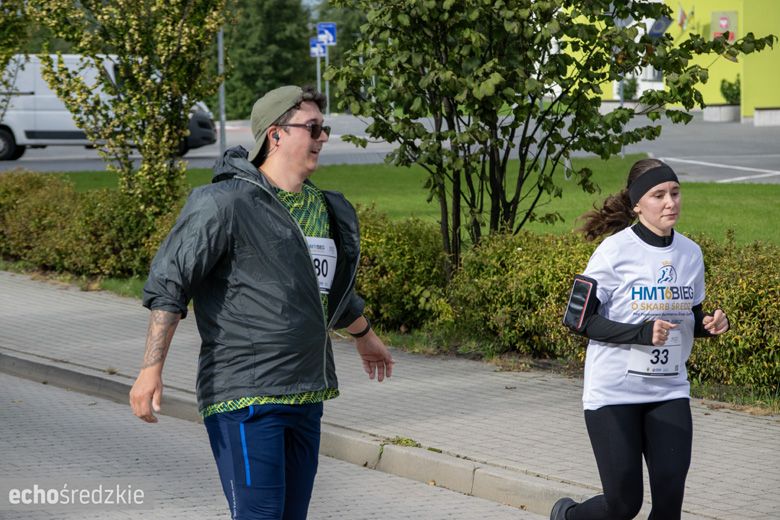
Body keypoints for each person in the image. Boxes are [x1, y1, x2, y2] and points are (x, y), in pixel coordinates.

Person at [129, 85, 394, 520]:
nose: (322, 137)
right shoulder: (225, 202)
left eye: (324, 128)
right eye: (312, 128)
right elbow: (170, 283)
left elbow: (323, 290)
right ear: (276, 134)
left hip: (306, 392)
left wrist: (364, 335)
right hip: (246, 395)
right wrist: (150, 369)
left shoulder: (323, 208)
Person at [551, 158, 730, 520]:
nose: (670, 202)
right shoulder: (614, 251)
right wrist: (642, 333)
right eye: (658, 195)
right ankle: (568, 516)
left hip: (668, 389)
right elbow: (577, 319)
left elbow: (688, 314)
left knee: (669, 503)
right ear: (637, 204)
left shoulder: (690, 253)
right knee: (623, 505)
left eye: (675, 193)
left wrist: (709, 323)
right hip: (614, 393)